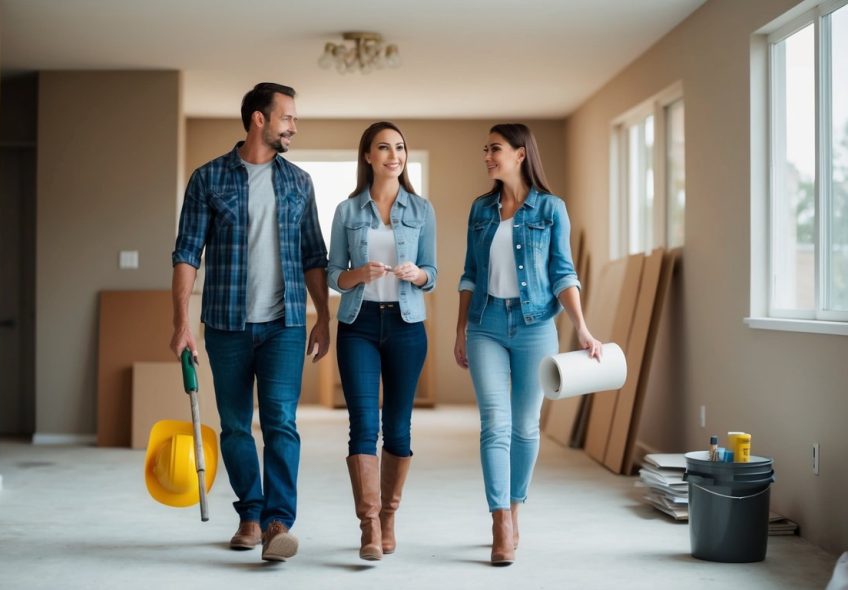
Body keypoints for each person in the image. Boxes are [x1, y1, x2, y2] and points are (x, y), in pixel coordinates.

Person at [170, 82, 330, 563]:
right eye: (287, 118)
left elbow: (313, 255)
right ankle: (250, 515)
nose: (294, 126)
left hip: (284, 323)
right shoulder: (208, 179)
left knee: (281, 422)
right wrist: (181, 321)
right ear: (259, 119)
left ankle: (279, 522)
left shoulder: (298, 182)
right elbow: (186, 253)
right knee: (237, 425)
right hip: (226, 324)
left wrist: (323, 315)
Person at [453, 123, 602, 566]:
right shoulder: (480, 210)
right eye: (485, 149)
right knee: (494, 423)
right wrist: (459, 329)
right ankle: (499, 520)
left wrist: (582, 327)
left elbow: (563, 272)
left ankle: (515, 508)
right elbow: (468, 275)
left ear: (520, 154)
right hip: (485, 323)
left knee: (525, 426)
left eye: (494, 149)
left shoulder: (551, 209)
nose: (487, 156)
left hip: (536, 325)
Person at [327, 121, 437, 561]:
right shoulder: (347, 211)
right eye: (384, 148)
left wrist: (419, 274)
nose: (394, 155)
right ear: (368, 157)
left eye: (400, 147)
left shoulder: (422, 210)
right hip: (359, 324)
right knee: (363, 426)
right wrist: (359, 275)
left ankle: (389, 515)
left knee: (398, 426)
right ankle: (369, 525)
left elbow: (434, 273)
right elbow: (334, 273)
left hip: (407, 325)